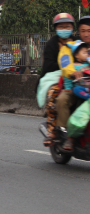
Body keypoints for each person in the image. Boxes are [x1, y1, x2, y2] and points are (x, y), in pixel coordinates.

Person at [40, 13, 76, 146]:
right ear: (56, 28)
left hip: (77, 77)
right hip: (55, 77)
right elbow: (48, 65)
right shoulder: (51, 44)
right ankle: (52, 130)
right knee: (53, 95)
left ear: (72, 28)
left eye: (67, 27)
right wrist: (65, 67)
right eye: (61, 27)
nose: (65, 29)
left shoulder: (77, 42)